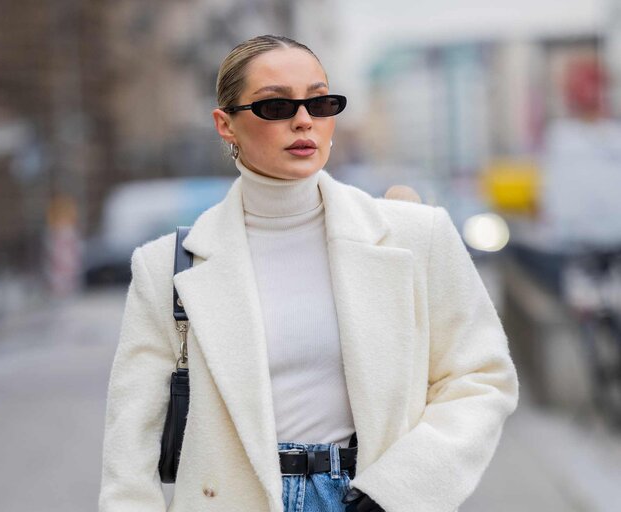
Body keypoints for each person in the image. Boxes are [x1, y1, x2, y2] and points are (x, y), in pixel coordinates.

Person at [99, 35, 519, 512]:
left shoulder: (415, 236)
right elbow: (129, 445)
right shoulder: (165, 265)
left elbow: (481, 378)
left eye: (320, 102)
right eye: (275, 105)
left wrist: (403, 489)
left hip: (369, 495)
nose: (304, 120)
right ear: (225, 125)